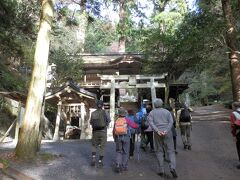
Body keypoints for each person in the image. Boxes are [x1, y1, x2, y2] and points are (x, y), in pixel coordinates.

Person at [148, 98, 177, 178]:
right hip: (167, 133)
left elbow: (151, 123)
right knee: (170, 151)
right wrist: (166, 130)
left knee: (159, 151)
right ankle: (172, 167)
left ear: (154, 105)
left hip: (157, 134)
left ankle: (161, 170)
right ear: (162, 104)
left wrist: (157, 131)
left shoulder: (151, 113)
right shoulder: (167, 112)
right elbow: (171, 122)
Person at [113, 108, 139, 173]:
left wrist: (114, 138)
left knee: (119, 151)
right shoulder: (127, 119)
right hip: (126, 137)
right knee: (125, 152)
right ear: (125, 114)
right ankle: (124, 166)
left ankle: (118, 165)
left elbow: (113, 130)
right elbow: (134, 126)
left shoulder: (116, 120)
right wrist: (138, 126)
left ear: (119, 114)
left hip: (118, 137)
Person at [90, 100, 110, 167]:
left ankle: (93, 158)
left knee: (94, 145)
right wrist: (106, 125)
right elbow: (109, 120)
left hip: (95, 131)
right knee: (102, 147)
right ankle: (100, 161)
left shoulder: (93, 113)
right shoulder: (105, 112)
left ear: (97, 105)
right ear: (102, 105)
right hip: (103, 131)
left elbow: (91, 122)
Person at [230, 102, 240, 169]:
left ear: (234, 107)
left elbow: (233, 125)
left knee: (239, 148)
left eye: (232, 106)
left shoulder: (233, 114)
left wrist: (234, 135)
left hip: (239, 132)